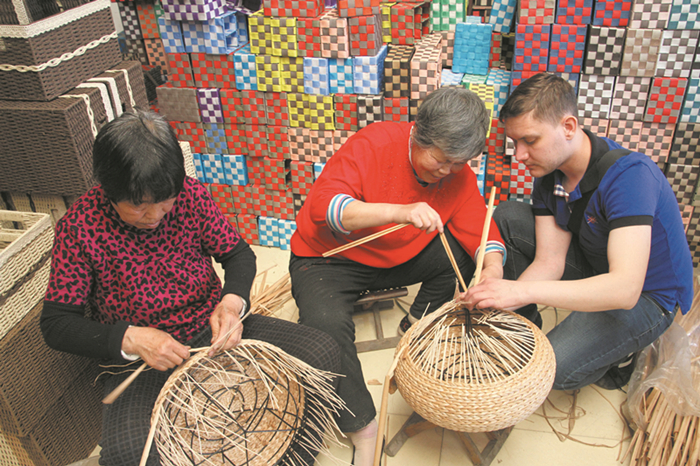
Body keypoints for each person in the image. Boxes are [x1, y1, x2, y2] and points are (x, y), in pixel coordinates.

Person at [40, 108, 341, 466]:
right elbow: (56, 324)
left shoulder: (190, 196)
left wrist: (232, 305)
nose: (154, 216)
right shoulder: (80, 226)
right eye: (138, 206)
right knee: (128, 454)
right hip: (143, 361)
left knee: (322, 352)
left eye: (163, 202)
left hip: (211, 330)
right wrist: (132, 338)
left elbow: (238, 255)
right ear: (107, 190)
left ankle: (286, 457)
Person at [289, 86, 506, 465]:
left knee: (461, 255)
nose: (449, 172)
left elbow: (478, 227)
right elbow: (327, 208)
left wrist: (494, 269)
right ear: (418, 135)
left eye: (459, 163)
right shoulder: (373, 143)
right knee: (323, 325)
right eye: (441, 161)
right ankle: (363, 426)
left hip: (395, 257)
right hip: (328, 260)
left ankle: (416, 323)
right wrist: (400, 212)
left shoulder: (457, 172)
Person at [463, 72, 694, 391]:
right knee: (509, 216)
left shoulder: (629, 177)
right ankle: (521, 331)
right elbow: (550, 262)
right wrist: (499, 300)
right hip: (597, 260)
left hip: (646, 294)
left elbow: (625, 289)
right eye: (515, 142)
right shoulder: (549, 174)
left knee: (552, 373)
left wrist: (519, 291)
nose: (519, 155)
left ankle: (622, 352)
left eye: (530, 140)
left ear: (569, 127)